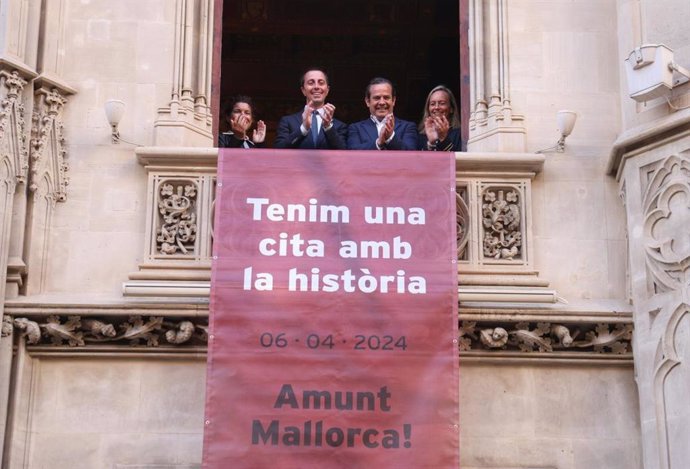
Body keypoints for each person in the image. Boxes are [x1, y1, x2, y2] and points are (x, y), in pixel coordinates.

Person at [274, 68, 347, 149]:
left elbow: (344, 153)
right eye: (311, 83)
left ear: (327, 90)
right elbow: (279, 149)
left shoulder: (340, 126)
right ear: (303, 90)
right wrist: (303, 128)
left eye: (321, 83)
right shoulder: (287, 122)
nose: (316, 87)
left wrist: (328, 127)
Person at [347, 77, 417, 151]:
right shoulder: (356, 128)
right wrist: (378, 143)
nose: (382, 102)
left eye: (386, 97)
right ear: (367, 101)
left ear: (393, 101)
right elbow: (352, 153)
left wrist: (390, 137)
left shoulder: (408, 127)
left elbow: (411, 154)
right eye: (377, 98)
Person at [418, 85, 461, 151]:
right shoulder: (421, 136)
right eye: (432, 104)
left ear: (451, 108)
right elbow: (419, 160)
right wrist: (431, 143)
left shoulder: (460, 134)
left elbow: (459, 160)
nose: (436, 107)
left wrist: (443, 139)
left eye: (442, 103)